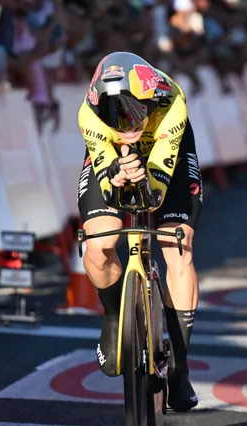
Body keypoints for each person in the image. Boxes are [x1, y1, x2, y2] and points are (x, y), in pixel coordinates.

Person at [77, 51, 202, 412]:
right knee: (98, 246)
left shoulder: (171, 103)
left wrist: (144, 181)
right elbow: (103, 168)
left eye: (133, 111)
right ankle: (116, 315)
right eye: (113, 115)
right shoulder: (89, 115)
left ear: (149, 98)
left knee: (176, 245)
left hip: (166, 156)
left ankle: (179, 365)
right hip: (114, 157)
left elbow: (158, 189)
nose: (126, 123)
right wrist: (115, 176)